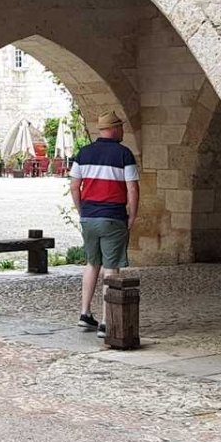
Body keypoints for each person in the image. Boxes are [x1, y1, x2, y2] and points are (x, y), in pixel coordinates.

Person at [70, 111, 139, 335]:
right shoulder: (124, 154)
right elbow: (132, 188)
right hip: (113, 217)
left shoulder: (83, 153)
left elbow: (74, 186)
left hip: (89, 217)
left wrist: (82, 211)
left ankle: (84, 313)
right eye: (121, 127)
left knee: (92, 264)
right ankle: (107, 320)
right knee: (111, 268)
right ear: (115, 128)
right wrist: (132, 215)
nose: (123, 131)